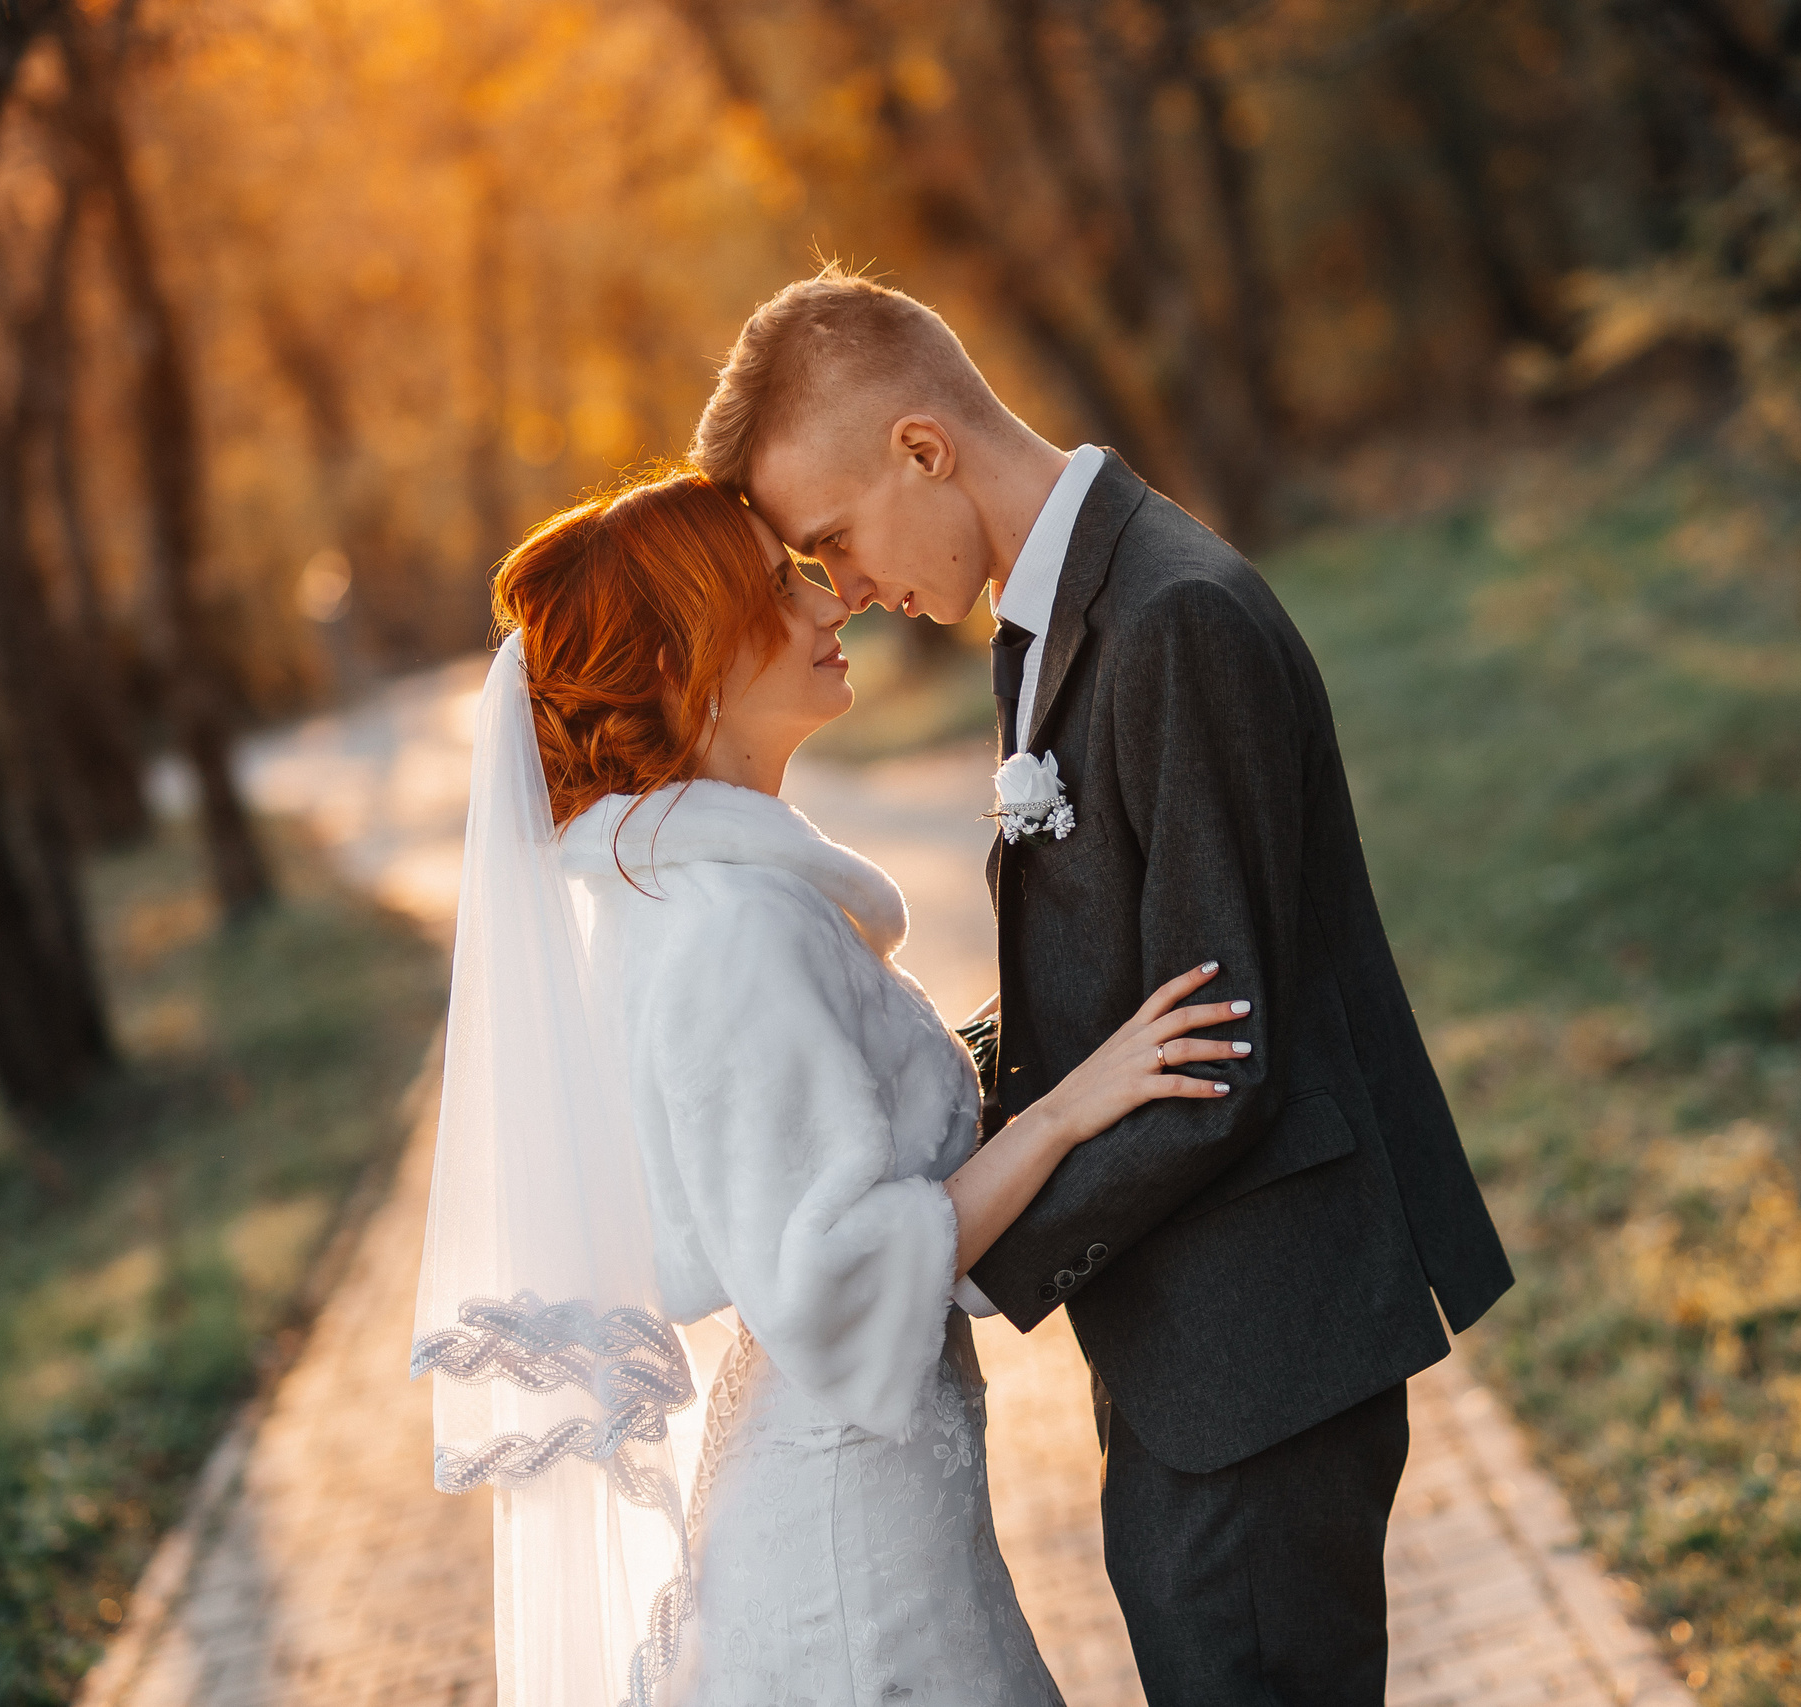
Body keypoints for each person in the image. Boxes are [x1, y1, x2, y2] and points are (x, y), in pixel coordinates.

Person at [694, 267, 1515, 1705]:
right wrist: (930, 1099)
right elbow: (1120, 990)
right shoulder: (1063, 612)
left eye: (834, 538)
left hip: (1263, 1354)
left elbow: (1216, 1050)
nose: (850, 589)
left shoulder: (1171, 616)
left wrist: (960, 1245)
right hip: (1201, 1347)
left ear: (924, 450)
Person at [409, 470, 1252, 1705]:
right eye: (774, 587)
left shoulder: (697, 902)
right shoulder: (727, 931)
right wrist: (1076, 1106)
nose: (828, 607)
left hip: (871, 1508)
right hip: (855, 1567)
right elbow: (838, 1276)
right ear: (684, 662)